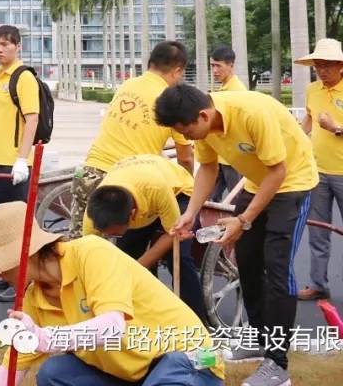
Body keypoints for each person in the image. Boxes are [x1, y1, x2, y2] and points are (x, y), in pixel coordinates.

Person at [155, 84, 319, 386]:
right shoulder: (204, 126)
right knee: (247, 262)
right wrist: (191, 212)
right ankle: (258, 339)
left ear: (203, 116)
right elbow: (208, 167)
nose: (189, 138)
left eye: (188, 132)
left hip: (293, 184)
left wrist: (242, 220)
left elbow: (278, 172)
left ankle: (277, 365)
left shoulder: (252, 113)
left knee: (277, 269)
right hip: (258, 184)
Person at [0, 201, 224, 386]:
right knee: (54, 373)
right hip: (133, 375)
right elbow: (11, 368)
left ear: (26, 252)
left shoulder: (91, 253)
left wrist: (45, 337)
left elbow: (112, 327)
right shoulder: (35, 300)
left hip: (188, 358)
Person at [68, 41, 194, 240]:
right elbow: (185, 157)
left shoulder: (127, 85)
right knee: (122, 249)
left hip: (88, 173)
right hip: (124, 186)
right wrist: (185, 192)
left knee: (79, 245)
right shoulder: (170, 101)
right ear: (177, 71)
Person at [295, 39, 343, 310]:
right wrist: (296, 137)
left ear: (341, 65)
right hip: (317, 172)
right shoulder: (312, 89)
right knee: (318, 233)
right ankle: (318, 284)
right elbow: (308, 119)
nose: (322, 70)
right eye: (318, 65)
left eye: (328, 65)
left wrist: (336, 128)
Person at [83, 154, 209, 325]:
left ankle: (197, 322)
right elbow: (91, 256)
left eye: (116, 233)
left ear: (132, 215)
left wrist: (136, 268)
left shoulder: (156, 188)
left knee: (179, 258)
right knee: (124, 256)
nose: (112, 237)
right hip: (139, 191)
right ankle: (134, 317)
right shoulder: (92, 216)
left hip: (178, 191)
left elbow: (173, 234)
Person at [0, 24, 40, 303]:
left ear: (18, 46)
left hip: (13, 165)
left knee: (15, 226)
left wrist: (21, 159)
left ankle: (23, 281)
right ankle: (9, 274)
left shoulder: (23, 77)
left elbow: (32, 119)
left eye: (5, 44)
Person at [209, 46, 245, 202]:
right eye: (212, 66)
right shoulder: (224, 88)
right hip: (222, 154)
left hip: (234, 155)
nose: (215, 70)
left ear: (231, 66)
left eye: (219, 66)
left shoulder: (237, 91)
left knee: (236, 199)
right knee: (211, 198)